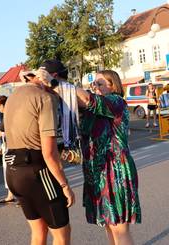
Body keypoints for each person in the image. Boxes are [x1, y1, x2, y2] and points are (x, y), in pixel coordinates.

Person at [38, 66, 141, 245]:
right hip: (97, 171)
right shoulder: (93, 110)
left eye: (99, 83)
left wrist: (55, 82)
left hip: (115, 171)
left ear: (113, 86)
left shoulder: (116, 102)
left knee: (119, 228)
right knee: (109, 224)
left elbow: (87, 98)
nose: (95, 86)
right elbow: (75, 102)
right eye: (93, 83)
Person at [4, 61, 75, 245]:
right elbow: (49, 153)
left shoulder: (13, 95)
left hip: (13, 171)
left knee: (38, 231)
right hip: (36, 172)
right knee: (62, 234)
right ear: (54, 78)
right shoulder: (45, 98)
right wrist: (64, 185)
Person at [0, 95, 16, 204]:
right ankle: (10, 195)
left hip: (12, 147)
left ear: (2, 105)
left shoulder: (10, 115)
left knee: (12, 171)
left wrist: (1, 133)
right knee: (7, 171)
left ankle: (21, 197)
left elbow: (16, 131)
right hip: (7, 146)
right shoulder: (6, 115)